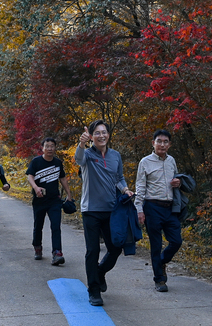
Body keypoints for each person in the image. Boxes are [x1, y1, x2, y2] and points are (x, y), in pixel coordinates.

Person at [75, 120, 133, 306]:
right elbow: (78, 159)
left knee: (116, 248)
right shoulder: (88, 155)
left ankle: (99, 273)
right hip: (91, 210)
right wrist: (81, 143)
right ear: (92, 136)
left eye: (104, 132)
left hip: (111, 210)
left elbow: (119, 178)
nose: (101, 135)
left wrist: (125, 190)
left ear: (108, 134)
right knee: (92, 251)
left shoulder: (115, 155)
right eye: (97, 133)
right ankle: (93, 291)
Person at [135, 129, 193, 292]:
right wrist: (139, 208)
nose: (162, 144)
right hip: (152, 207)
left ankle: (161, 262)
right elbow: (140, 186)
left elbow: (175, 181)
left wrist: (178, 183)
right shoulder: (145, 162)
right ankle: (159, 279)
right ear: (153, 143)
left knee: (176, 241)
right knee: (156, 244)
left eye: (165, 141)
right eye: (159, 141)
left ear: (169, 144)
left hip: (170, 208)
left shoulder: (171, 161)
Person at [27, 137, 72, 266]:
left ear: (55, 148)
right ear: (43, 148)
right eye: (47, 146)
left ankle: (57, 252)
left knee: (56, 226)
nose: (50, 148)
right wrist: (35, 188)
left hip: (54, 200)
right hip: (39, 200)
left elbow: (62, 179)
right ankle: (37, 247)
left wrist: (69, 194)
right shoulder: (36, 162)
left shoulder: (57, 163)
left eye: (52, 146)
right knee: (38, 225)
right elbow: (30, 176)